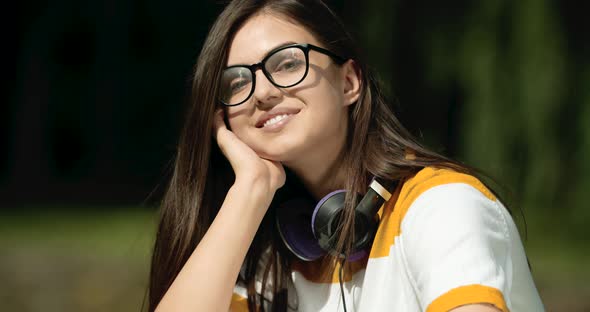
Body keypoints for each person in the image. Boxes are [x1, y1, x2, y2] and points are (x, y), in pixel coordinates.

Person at [148, 0, 545, 311]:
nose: (262, 92)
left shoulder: (442, 205)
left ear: (350, 82)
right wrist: (250, 189)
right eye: (237, 82)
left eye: (287, 63)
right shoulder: (267, 256)